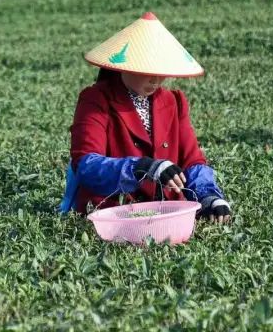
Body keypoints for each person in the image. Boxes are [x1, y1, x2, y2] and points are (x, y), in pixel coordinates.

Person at [59, 12, 232, 223]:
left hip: (166, 212)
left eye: (161, 71)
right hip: (112, 212)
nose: (156, 79)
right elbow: (86, 165)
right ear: (126, 66)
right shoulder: (95, 99)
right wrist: (141, 167)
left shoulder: (174, 101)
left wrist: (210, 197)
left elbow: (192, 160)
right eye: (147, 70)